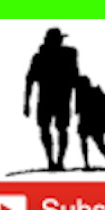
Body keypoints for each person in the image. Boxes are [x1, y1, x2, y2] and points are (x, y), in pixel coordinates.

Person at [23, 28, 79, 171]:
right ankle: (53, 160)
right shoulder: (44, 57)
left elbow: (75, 78)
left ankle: (57, 160)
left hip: (56, 98)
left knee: (57, 129)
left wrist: (26, 102)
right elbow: (30, 80)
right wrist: (26, 102)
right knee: (51, 129)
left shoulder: (68, 54)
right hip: (53, 98)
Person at [73, 76, 105, 171]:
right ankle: (89, 163)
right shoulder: (95, 93)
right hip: (88, 122)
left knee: (97, 144)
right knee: (94, 143)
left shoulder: (95, 94)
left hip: (91, 123)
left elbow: (78, 110)